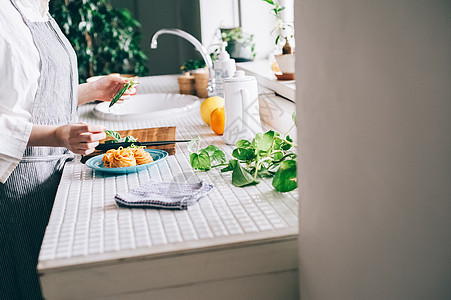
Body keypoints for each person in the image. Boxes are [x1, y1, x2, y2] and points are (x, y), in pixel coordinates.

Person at [0, 0, 131, 298]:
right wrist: (58, 135)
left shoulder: (38, 10)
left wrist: (93, 91)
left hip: (52, 173)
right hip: (15, 184)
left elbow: (33, 97)